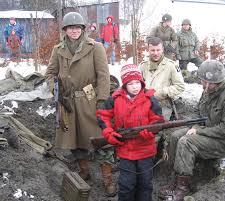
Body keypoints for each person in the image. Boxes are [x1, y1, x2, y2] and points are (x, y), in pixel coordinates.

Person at [44, 11, 112, 192]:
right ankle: (84, 171)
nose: (73, 31)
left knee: (102, 140)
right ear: (65, 30)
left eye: (77, 27)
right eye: (70, 28)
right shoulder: (58, 50)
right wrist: (55, 90)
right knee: (73, 140)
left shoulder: (95, 47)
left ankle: (108, 178)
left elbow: (104, 76)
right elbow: (50, 74)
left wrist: (102, 99)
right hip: (67, 102)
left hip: (90, 99)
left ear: (82, 29)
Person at [158, 60, 225, 201]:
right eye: (203, 81)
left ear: (216, 82)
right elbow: (198, 113)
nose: (204, 85)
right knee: (175, 136)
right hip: (208, 132)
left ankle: (182, 188)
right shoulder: (207, 91)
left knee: (186, 142)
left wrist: (199, 131)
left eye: (208, 82)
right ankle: (177, 179)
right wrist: (194, 126)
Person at [96, 64, 164, 201]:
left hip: (146, 151)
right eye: (130, 83)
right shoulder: (114, 99)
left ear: (142, 82)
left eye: (137, 82)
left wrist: (150, 132)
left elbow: (158, 121)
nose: (135, 86)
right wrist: (109, 133)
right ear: (124, 84)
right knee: (126, 185)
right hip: (125, 152)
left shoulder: (150, 99)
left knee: (145, 185)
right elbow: (103, 116)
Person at [139, 37, 185, 120]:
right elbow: (137, 84)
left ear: (162, 49)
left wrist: (162, 92)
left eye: (158, 50)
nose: (156, 53)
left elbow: (180, 86)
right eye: (153, 50)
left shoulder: (171, 65)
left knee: (157, 126)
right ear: (148, 50)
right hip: (144, 103)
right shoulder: (143, 65)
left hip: (163, 104)